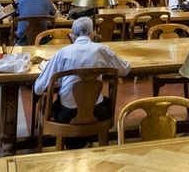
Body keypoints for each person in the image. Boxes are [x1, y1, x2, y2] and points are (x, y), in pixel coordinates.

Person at [34, 17, 130, 147]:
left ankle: (69, 141)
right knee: (104, 100)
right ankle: (93, 138)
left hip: (66, 113)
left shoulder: (62, 53)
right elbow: (125, 70)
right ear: (93, 34)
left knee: (56, 102)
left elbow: (38, 88)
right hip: (97, 110)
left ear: (72, 36)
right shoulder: (102, 50)